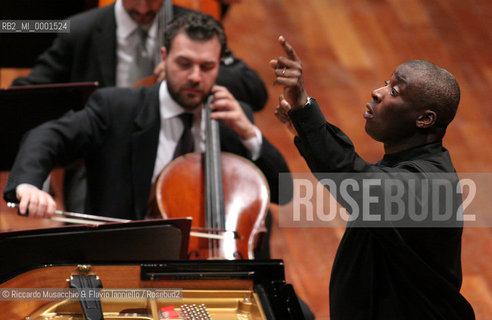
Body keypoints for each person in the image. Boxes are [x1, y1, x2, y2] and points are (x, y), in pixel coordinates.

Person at [3, 14, 290, 262]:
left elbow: (285, 192)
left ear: (219, 66)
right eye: (184, 63)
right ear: (164, 58)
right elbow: (48, 136)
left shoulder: (232, 119)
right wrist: (29, 183)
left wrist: (251, 135)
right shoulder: (117, 108)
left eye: (207, 67)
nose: (195, 77)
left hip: (222, 259)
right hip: (128, 262)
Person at [270, 36, 475, 319]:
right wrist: (304, 131)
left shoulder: (428, 186)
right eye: (387, 82)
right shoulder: (409, 163)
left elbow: (352, 178)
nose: (377, 92)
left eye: (395, 91)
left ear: (425, 119)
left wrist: (303, 106)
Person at [11, 0, 268, 111]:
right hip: (100, 152)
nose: (144, 8)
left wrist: (190, 71)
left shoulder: (193, 26)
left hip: (179, 147)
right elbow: (33, 91)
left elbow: (255, 92)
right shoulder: (81, 30)